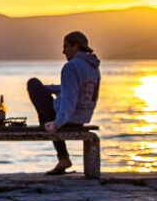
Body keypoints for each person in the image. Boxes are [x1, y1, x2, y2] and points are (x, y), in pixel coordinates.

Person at [26, 31, 101, 175]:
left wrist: (57, 123)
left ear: (76, 46)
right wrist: (46, 89)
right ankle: (63, 157)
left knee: (32, 83)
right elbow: (73, 90)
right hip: (81, 118)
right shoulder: (93, 68)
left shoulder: (71, 67)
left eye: (66, 47)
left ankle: (63, 157)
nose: (63, 51)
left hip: (66, 119)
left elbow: (69, 98)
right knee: (39, 88)